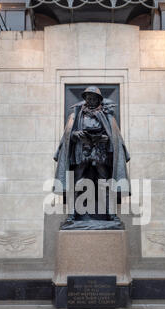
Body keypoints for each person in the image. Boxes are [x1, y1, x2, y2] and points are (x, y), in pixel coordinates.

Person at [54, 86, 130, 228]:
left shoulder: (107, 115)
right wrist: (75, 135)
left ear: (99, 100)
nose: (91, 100)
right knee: (77, 182)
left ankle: (111, 213)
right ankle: (72, 214)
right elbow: (68, 135)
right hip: (81, 152)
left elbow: (114, 136)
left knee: (105, 183)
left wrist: (106, 139)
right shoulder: (75, 115)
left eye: (94, 98)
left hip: (100, 152)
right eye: (88, 97)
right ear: (85, 99)